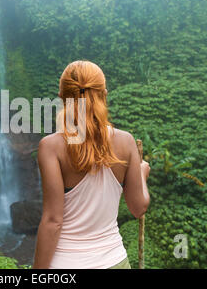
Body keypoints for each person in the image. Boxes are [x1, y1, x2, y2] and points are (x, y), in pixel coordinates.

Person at [32, 60, 150, 269]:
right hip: (114, 262)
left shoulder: (51, 147)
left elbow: (53, 221)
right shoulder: (126, 141)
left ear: (62, 97)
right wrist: (141, 173)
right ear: (104, 94)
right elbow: (138, 208)